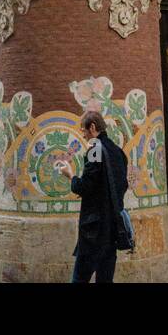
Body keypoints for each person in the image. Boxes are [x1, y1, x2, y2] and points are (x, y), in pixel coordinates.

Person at [57, 111, 129, 285]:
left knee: (79, 278)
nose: (82, 134)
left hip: (94, 231)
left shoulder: (95, 148)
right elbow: (121, 185)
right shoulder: (117, 151)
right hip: (112, 229)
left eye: (83, 130)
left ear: (93, 127)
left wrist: (71, 176)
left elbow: (85, 186)